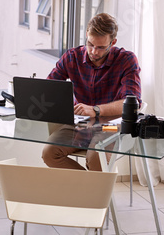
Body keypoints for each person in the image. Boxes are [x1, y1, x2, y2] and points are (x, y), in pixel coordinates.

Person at [42, 13, 141, 171]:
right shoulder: (72, 58)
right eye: (90, 44)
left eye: (101, 47)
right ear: (86, 36)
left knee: (96, 157)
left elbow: (133, 103)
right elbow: (49, 88)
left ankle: (92, 191)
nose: (94, 51)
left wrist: (96, 110)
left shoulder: (126, 60)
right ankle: (88, 190)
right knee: (49, 153)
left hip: (111, 127)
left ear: (112, 42)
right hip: (79, 125)